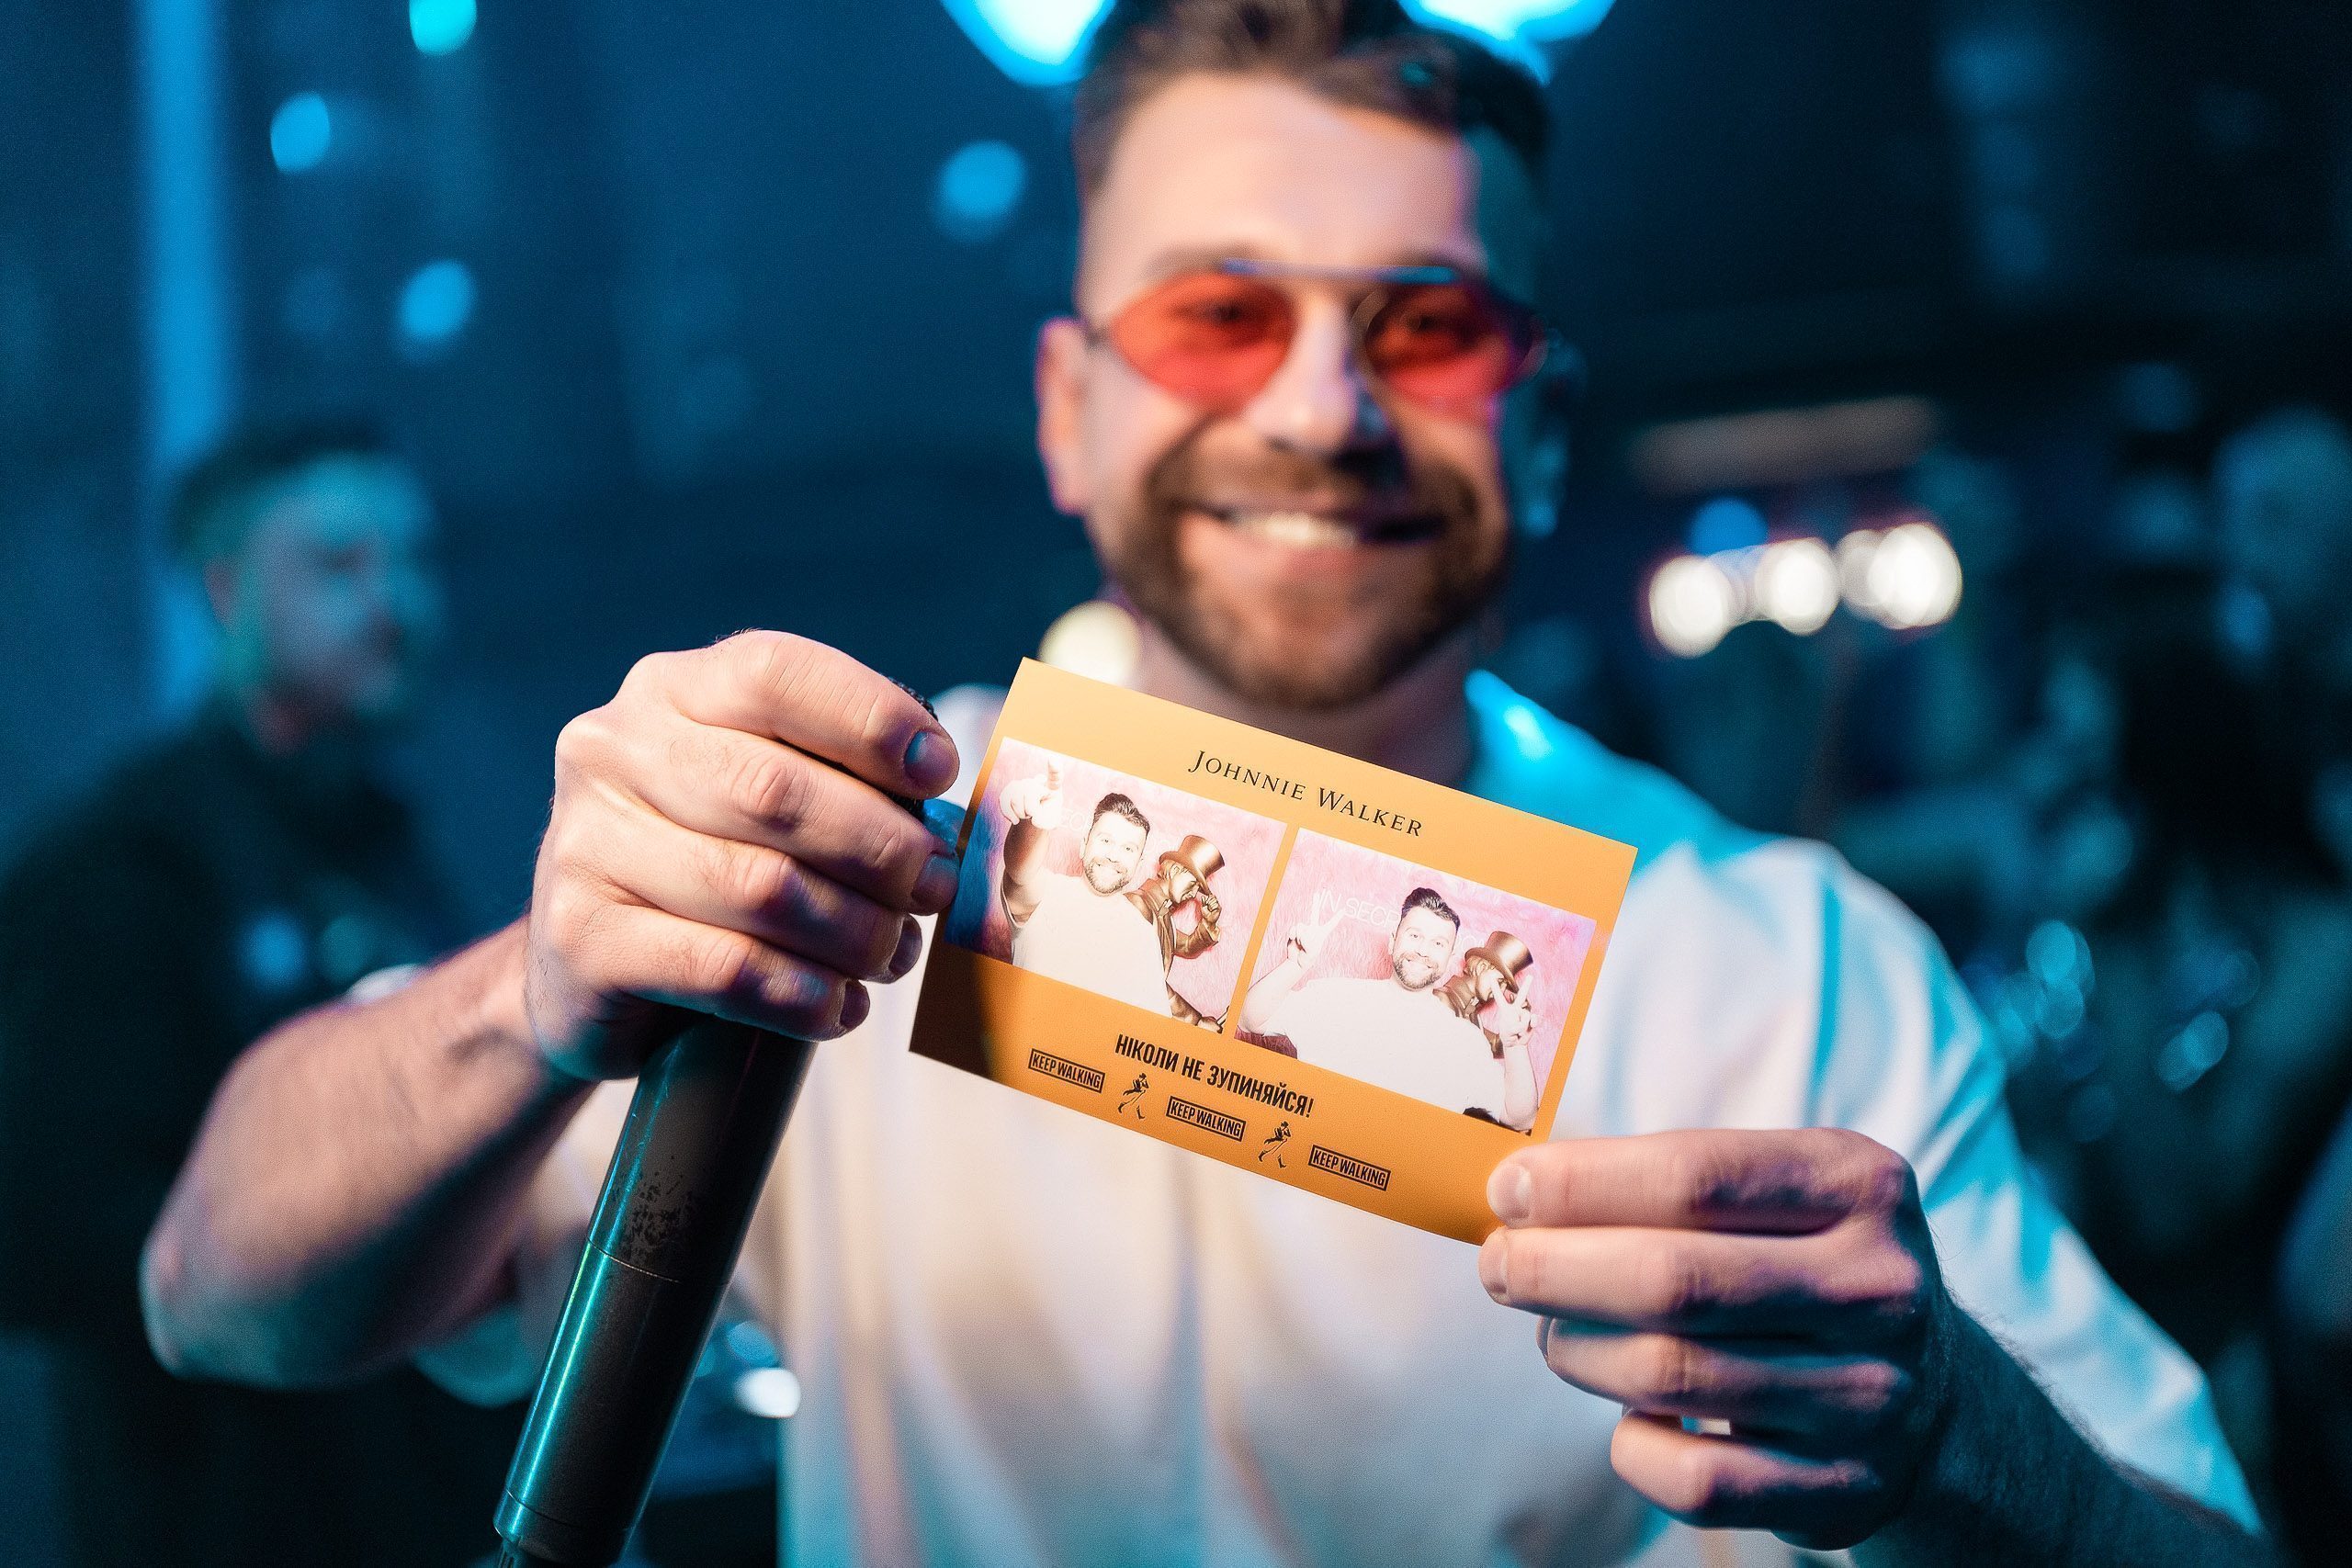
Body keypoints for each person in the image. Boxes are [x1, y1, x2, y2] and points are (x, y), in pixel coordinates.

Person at [142, 4, 2269, 1562]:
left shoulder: (1780, 960)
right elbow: (219, 1291)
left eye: (1425, 326)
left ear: (1539, 428)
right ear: (1068, 412)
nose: (1321, 409)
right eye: (1217, 315)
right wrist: (531, 990)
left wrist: (1957, 1438)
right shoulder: (838, 850)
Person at [0, 421, 522, 1567]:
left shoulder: (394, 847)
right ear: (226, 590)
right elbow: (38, 1227)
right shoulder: (119, 871)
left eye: (411, 560)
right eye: (339, 564)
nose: (394, 602)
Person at [1240, 886, 1526, 1124]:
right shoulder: (1335, 996)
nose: (1423, 950)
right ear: (1392, 942)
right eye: (1415, 935)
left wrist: (1515, 1046)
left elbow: (1516, 1116)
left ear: (1449, 959)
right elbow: (1251, 1019)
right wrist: (1295, 965)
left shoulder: (1467, 1042)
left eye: (1438, 943)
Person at [998, 763, 1171, 1010]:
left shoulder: (1144, 935)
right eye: (1106, 840)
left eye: (1128, 848)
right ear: (1084, 845)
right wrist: (1033, 821)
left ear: (1138, 864)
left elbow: (1153, 1018)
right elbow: (1020, 873)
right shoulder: (1048, 892)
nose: (1114, 855)